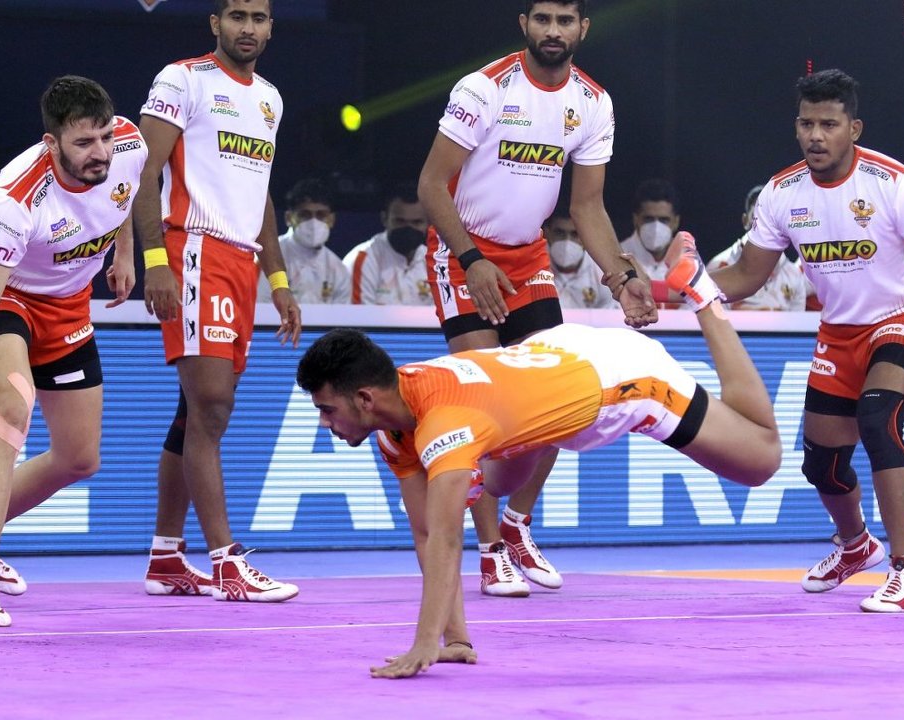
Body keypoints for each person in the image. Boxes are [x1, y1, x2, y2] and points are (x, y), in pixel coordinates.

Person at [296, 235, 782, 678]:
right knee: (496, 483)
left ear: (365, 398)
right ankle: (517, 460)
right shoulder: (399, 410)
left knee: (761, 460)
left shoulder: (445, 427)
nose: (324, 423)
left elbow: (446, 539)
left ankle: (703, 296)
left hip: (623, 379)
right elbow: (425, 533)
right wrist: (454, 641)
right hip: (550, 353)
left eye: (326, 409)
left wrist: (422, 645)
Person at [703, 69, 904, 613]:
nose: (816, 136)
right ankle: (856, 544)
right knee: (822, 465)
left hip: (902, 317)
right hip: (839, 332)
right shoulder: (781, 193)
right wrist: (681, 284)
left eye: (829, 125)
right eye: (806, 124)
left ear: (853, 128)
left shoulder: (894, 182)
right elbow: (746, 275)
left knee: (879, 420)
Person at [417, 0, 656, 597]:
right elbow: (430, 185)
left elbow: (588, 207)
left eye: (565, 21)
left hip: (529, 258)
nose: (554, 31)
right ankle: (490, 552)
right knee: (481, 405)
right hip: (462, 255)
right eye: (543, 19)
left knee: (555, 394)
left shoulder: (593, 102)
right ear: (524, 24)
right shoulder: (484, 89)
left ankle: (517, 524)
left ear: (583, 29)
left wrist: (622, 276)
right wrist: (471, 260)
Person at [0, 75, 145, 626]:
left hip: (69, 306)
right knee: (12, 409)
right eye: (83, 143)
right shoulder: (15, 200)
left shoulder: (128, 143)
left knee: (79, 458)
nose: (100, 152)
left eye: (104, 137)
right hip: (10, 298)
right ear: (52, 143)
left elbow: (127, 192)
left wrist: (125, 253)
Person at [134, 0, 301, 602]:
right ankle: (227, 563)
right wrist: (155, 260)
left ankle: (165, 558)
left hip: (241, 262)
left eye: (258, 17)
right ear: (215, 23)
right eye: (236, 16)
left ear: (271, 27)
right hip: (193, 249)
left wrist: (278, 279)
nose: (247, 27)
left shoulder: (270, 98)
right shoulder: (183, 79)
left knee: (193, 414)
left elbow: (261, 194)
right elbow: (141, 173)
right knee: (211, 408)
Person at [709, 185, 808, 311]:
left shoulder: (794, 275)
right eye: (758, 216)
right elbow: (713, 320)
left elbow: (798, 323)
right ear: (745, 221)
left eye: (773, 217)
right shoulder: (720, 267)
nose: (765, 224)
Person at [256, 177, 351, 304]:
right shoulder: (267, 258)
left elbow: (342, 315)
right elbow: (259, 305)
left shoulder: (339, 270)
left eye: (321, 215)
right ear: (289, 218)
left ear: (332, 219)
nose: (313, 222)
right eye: (305, 215)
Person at [346, 183, 432, 305]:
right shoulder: (363, 259)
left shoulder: (435, 262)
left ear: (428, 223)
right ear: (384, 219)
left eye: (417, 222)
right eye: (400, 221)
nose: (408, 228)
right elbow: (357, 314)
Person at [545, 207, 615, 308]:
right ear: (547, 232)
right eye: (560, 233)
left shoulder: (602, 269)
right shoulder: (534, 265)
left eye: (575, 234)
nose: (567, 241)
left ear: (586, 236)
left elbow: (609, 309)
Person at [618, 178, 681, 286]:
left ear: (676, 222)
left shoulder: (687, 261)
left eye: (664, 220)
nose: (656, 227)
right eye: (649, 219)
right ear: (636, 219)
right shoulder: (618, 256)